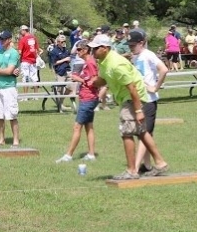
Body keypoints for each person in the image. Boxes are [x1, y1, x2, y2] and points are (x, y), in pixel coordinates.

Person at [88, 33, 169, 179]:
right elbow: (104, 79)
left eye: (95, 48)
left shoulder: (116, 63)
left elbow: (132, 87)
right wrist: (93, 82)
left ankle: (132, 171)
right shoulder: (104, 61)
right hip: (128, 97)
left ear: (105, 48)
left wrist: (138, 110)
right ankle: (160, 162)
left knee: (127, 132)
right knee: (141, 131)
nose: (92, 51)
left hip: (132, 97)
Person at [128, 29, 168, 172]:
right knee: (144, 133)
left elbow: (164, 69)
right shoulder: (136, 57)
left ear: (142, 43)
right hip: (139, 99)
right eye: (129, 46)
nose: (131, 48)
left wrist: (156, 87)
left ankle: (135, 168)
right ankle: (147, 165)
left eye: (133, 46)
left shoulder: (148, 55)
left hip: (149, 101)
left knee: (144, 133)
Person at [56, 40, 98, 163]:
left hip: (88, 98)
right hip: (88, 97)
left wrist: (77, 79)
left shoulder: (90, 63)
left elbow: (93, 81)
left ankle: (68, 155)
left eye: (79, 49)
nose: (77, 52)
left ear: (85, 50)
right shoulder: (87, 62)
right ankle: (91, 154)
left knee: (77, 127)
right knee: (88, 126)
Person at [0, 30, 21, 145]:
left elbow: (8, 71)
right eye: (0, 39)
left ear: (9, 40)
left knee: (12, 115)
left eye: (3, 39)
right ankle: (1, 139)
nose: (1, 41)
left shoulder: (13, 53)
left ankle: (16, 140)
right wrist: (4, 71)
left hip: (9, 87)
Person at [47, 34, 72, 113]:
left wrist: (69, 60)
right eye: (62, 41)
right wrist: (65, 59)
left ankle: (61, 103)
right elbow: (54, 63)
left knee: (71, 87)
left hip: (68, 70)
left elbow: (69, 58)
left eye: (64, 41)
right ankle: (60, 106)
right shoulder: (54, 51)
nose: (64, 43)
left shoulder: (66, 50)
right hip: (60, 72)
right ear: (58, 42)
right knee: (60, 90)